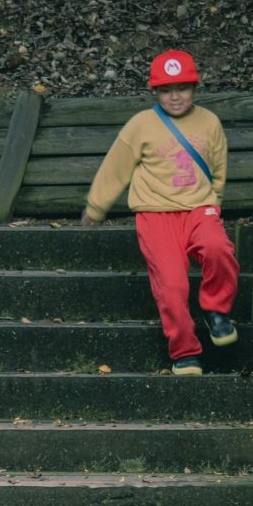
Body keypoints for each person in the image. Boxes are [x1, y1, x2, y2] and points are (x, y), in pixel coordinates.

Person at [81, 49, 240, 375]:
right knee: (172, 286)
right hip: (155, 215)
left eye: (182, 88)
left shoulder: (209, 122)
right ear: (155, 92)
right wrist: (96, 207)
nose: (175, 97)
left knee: (219, 248)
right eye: (166, 90)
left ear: (194, 88)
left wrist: (214, 202)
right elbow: (116, 168)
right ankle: (184, 350)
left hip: (199, 208)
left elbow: (218, 166)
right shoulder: (141, 125)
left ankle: (215, 310)